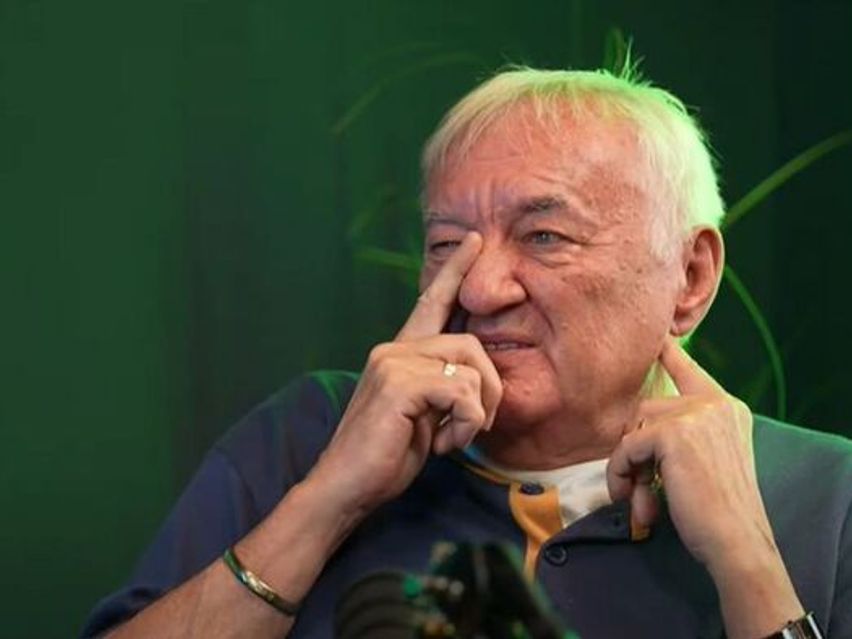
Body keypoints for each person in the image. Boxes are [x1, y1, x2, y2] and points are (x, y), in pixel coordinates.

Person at [82, 66, 852, 639]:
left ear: (689, 277)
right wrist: (328, 500)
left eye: (544, 236)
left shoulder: (829, 495)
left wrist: (748, 561)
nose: (479, 289)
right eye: (447, 244)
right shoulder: (307, 435)